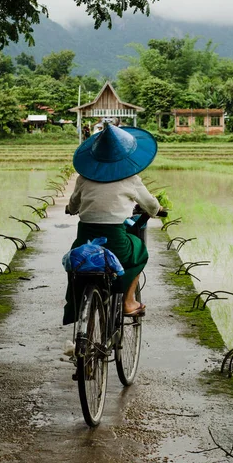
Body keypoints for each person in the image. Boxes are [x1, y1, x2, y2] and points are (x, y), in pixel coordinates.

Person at [63, 123, 165, 325]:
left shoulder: (84, 178)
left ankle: (81, 306)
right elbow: (151, 205)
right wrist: (157, 210)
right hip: (116, 241)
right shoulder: (131, 178)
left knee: (78, 266)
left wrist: (71, 209)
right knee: (139, 252)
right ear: (125, 156)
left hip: (87, 240)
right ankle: (128, 301)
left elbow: (73, 205)